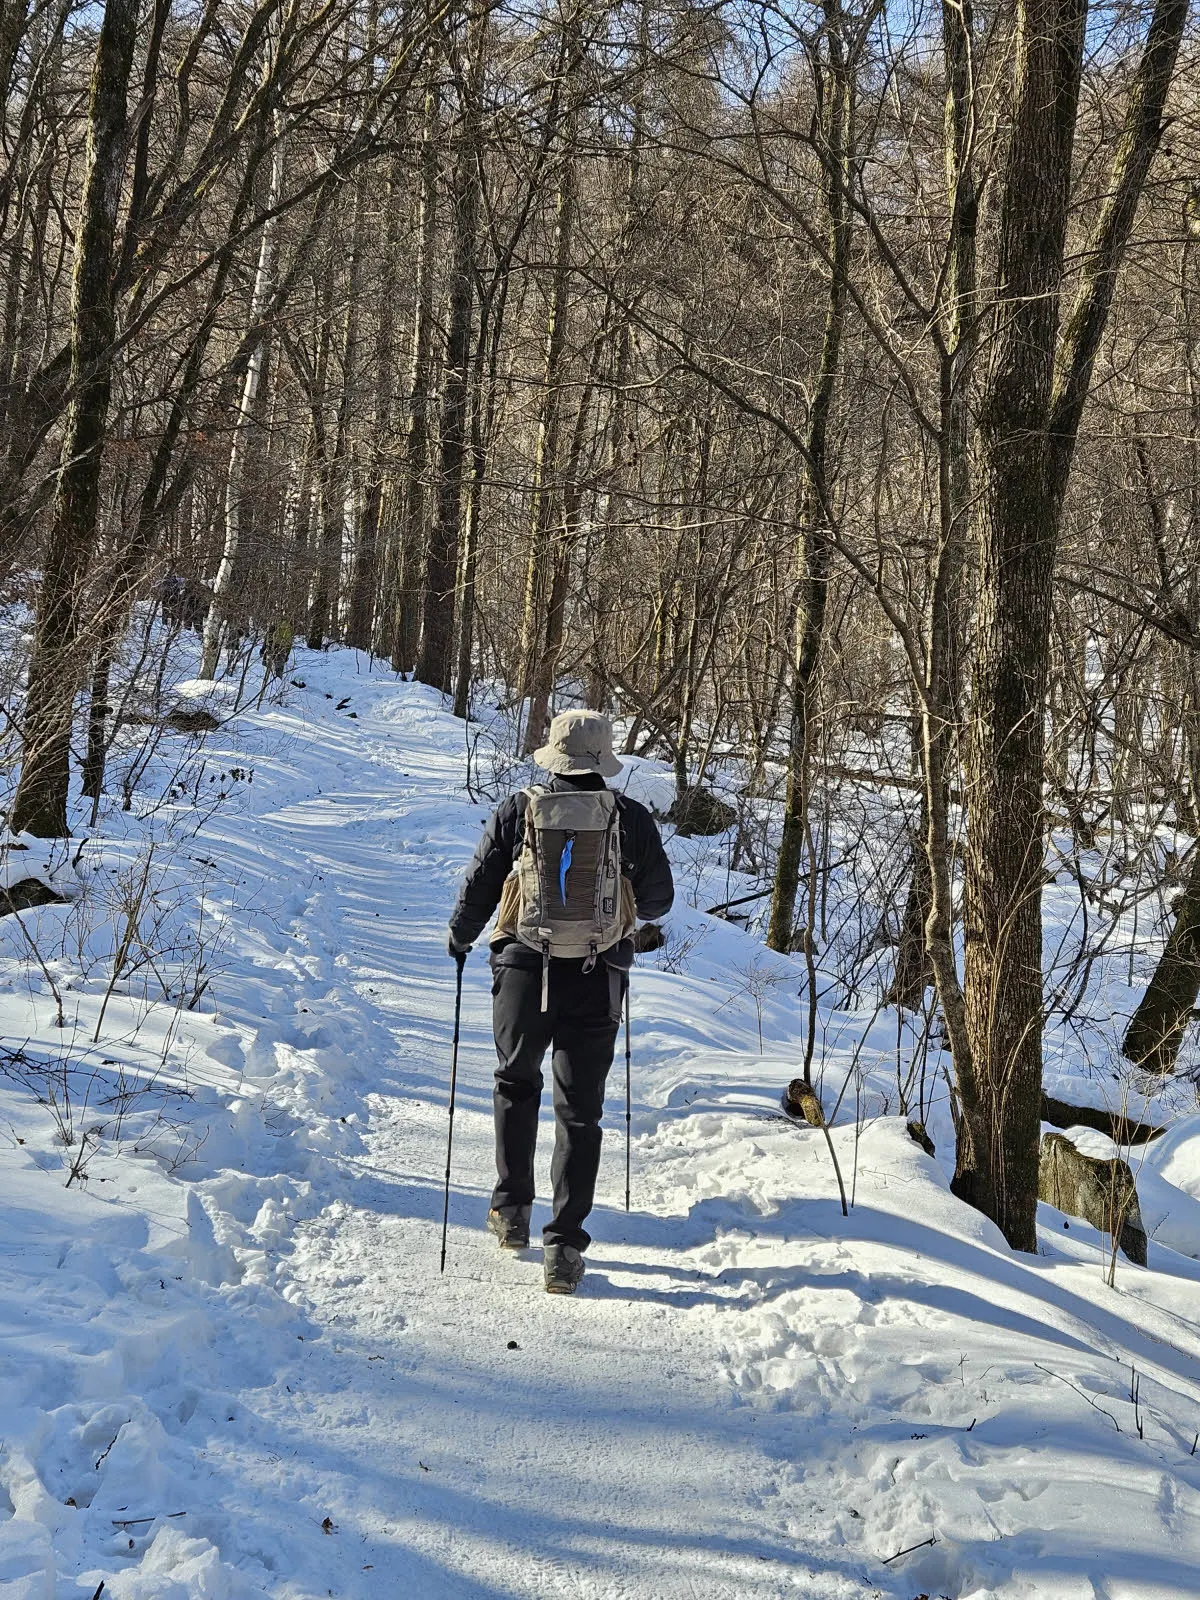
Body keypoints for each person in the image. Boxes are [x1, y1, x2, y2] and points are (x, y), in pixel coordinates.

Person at [447, 710, 674, 1294]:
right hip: (598, 975)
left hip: (524, 965)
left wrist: (460, 934)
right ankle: (566, 1246)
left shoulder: (519, 810)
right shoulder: (629, 818)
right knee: (580, 1110)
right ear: (603, 761)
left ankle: (512, 1212)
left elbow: (479, 885)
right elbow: (658, 903)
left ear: (553, 756)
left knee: (515, 1082)